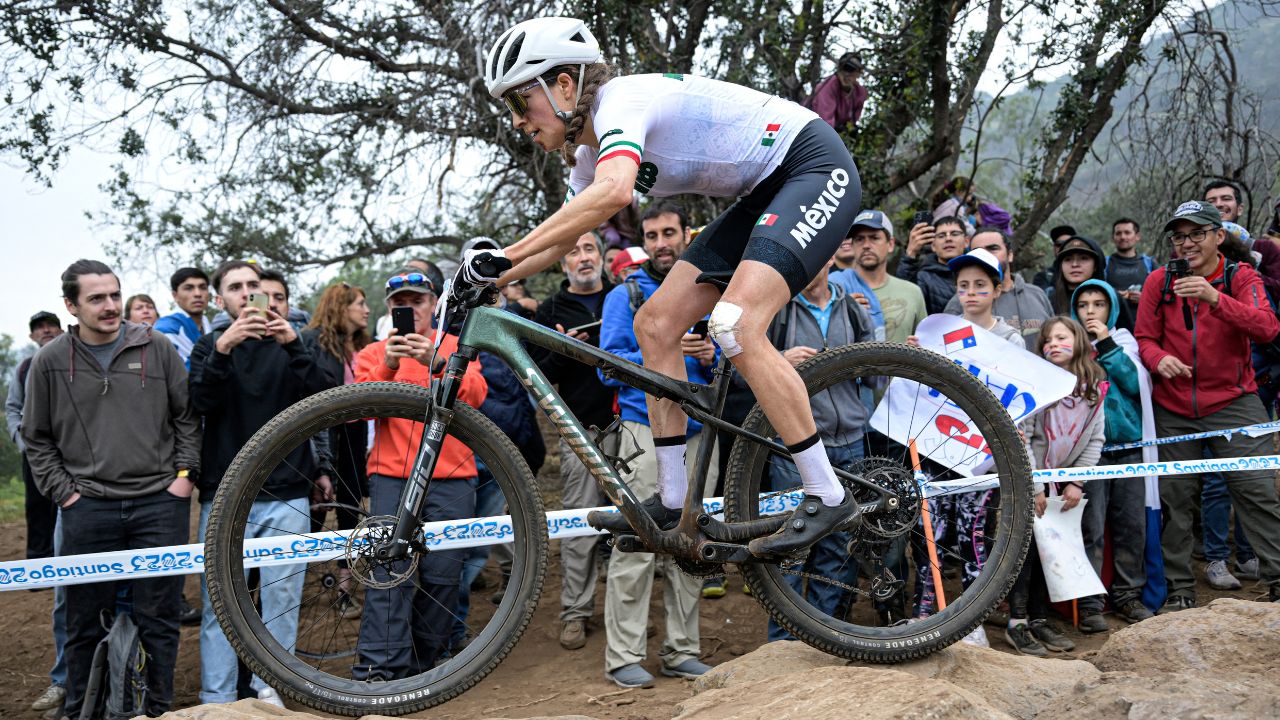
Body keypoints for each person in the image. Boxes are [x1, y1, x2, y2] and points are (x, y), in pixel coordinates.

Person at [479, 16, 863, 562]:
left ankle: (828, 493)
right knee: (654, 324)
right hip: (765, 190)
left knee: (733, 324)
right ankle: (675, 499)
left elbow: (614, 194)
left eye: (520, 104)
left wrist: (504, 260)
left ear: (563, 84)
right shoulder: (588, 155)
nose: (518, 122)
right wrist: (490, 275)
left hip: (813, 167)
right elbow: (562, 236)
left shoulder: (622, 103)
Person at [24, 259, 199, 719]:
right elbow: (35, 436)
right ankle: (81, 709)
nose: (110, 306)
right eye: (96, 298)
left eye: (115, 295)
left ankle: (157, 710)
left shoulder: (157, 347)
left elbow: (186, 417)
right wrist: (65, 494)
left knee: (159, 618)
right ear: (71, 305)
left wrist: (183, 480)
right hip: (87, 506)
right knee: (81, 621)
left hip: (160, 504)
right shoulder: (48, 361)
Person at [188, 260, 335, 706]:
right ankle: (216, 697)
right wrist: (222, 351)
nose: (248, 293)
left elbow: (329, 400)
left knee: (282, 601)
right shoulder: (209, 345)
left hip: (287, 490)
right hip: (224, 494)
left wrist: (294, 346)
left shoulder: (297, 342)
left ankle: (272, 691)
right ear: (221, 300)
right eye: (236, 287)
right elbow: (198, 402)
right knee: (220, 604)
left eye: (255, 286)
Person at [1136, 200, 1280, 611]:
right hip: (1173, 405)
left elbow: (1268, 327)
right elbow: (1144, 337)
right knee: (1175, 498)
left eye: (1197, 234)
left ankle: (1278, 577)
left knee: (1255, 491)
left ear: (1219, 236)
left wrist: (1215, 299)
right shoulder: (1158, 281)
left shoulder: (1241, 276)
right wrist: (1158, 359)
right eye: (1179, 236)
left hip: (1235, 400)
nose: (1187, 244)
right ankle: (1180, 589)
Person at [353, 268, 487, 679]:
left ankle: (425, 668)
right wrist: (391, 366)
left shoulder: (455, 344)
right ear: (389, 308)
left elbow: (477, 395)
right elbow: (360, 408)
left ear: (433, 305)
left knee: (444, 577)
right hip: (393, 476)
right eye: (400, 303)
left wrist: (436, 360)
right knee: (388, 573)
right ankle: (379, 670)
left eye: (417, 301)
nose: (408, 308)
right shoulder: (373, 353)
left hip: (451, 477)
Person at [907, 249, 1027, 643]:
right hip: (937, 448)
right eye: (963, 286)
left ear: (997, 289)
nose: (971, 293)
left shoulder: (1010, 339)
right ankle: (927, 614)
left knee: (974, 538)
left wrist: (1015, 432)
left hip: (983, 457)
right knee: (932, 536)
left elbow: (1024, 393)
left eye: (980, 285)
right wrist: (916, 353)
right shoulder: (940, 331)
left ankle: (972, 622)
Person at [763, 253, 875, 641]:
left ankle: (826, 636)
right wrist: (779, 360)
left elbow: (876, 365)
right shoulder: (777, 308)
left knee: (841, 542)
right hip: (792, 447)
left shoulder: (853, 307)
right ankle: (783, 639)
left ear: (828, 258)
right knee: (792, 541)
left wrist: (859, 364)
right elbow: (747, 374)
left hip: (851, 439)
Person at [528, 231, 616, 649]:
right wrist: (564, 350)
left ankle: (621, 616)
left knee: (632, 526)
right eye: (574, 252)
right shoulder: (549, 310)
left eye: (590, 250)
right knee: (581, 521)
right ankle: (575, 613)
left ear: (601, 256)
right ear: (562, 264)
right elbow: (534, 374)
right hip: (579, 427)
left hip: (630, 427)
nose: (583, 258)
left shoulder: (622, 297)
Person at [1006, 317, 1106, 656]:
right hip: (1029, 480)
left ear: (1078, 341)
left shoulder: (1094, 389)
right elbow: (1024, 437)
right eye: (1047, 340)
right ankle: (1016, 621)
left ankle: (1038, 618)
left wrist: (1077, 481)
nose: (1052, 344)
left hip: (1060, 483)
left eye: (1061, 337)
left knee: (1049, 550)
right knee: (1025, 552)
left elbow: (1096, 439)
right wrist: (1034, 486)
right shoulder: (1036, 386)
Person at [1070, 280, 1155, 627]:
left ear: (1112, 309)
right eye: (1083, 305)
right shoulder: (1070, 347)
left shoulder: (1123, 342)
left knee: (1131, 525)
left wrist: (1105, 343)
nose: (1090, 311)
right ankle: (1090, 604)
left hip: (1129, 446)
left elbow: (1136, 384)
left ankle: (1127, 595)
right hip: (1092, 452)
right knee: (1091, 527)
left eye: (1099, 304)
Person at [300, 281, 372, 617]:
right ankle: (293, 583)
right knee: (313, 511)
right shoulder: (311, 341)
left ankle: (345, 588)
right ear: (340, 307)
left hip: (356, 436)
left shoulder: (360, 345)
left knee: (350, 510)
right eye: (359, 303)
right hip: (323, 435)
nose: (366, 310)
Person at [7, 311, 66, 717]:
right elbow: (13, 408)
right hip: (36, 453)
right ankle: (38, 567)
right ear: (32, 334)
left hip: (71, 456)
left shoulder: (66, 358)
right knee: (36, 510)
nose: (46, 331)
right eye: (39, 327)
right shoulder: (25, 365)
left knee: (63, 510)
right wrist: (24, 443)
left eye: (51, 325)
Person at [942, 226, 1053, 342]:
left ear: (1010, 255)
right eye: (977, 251)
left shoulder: (1037, 295)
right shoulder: (958, 304)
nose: (986, 255)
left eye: (993, 248)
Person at [844, 210, 926, 344]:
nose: (866, 245)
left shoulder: (913, 292)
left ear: (891, 244)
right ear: (852, 246)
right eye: (859, 239)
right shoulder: (836, 290)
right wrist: (842, 311)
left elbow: (926, 346)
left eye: (874, 238)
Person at [1048, 235, 1134, 331]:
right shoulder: (1049, 300)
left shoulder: (1112, 297)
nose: (1075, 264)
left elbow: (1128, 338)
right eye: (1068, 259)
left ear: (1096, 265)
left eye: (1084, 258)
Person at [897, 215, 967, 314]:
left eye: (954, 234)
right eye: (941, 236)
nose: (948, 239)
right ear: (933, 246)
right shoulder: (924, 277)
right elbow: (904, 299)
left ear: (966, 241)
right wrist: (910, 253)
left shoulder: (978, 271)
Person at [154, 266, 211, 367]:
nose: (198, 294)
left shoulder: (205, 322)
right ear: (175, 295)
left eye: (203, 287)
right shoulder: (167, 329)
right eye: (189, 288)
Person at [806, 52, 868, 135]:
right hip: (812, 129)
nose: (847, 74)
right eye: (845, 68)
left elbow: (852, 122)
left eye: (852, 70)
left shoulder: (860, 93)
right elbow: (825, 124)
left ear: (858, 74)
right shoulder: (827, 86)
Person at [1104, 218, 1154, 316]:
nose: (1122, 237)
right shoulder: (1104, 264)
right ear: (1113, 237)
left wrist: (1144, 299)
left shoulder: (1150, 264)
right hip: (1112, 328)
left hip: (1143, 325)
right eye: (1118, 233)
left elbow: (1161, 296)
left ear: (1137, 236)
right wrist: (1114, 296)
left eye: (1127, 232)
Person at [1032, 224, 1076, 291]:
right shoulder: (1042, 277)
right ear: (1054, 248)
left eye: (1068, 244)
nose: (1063, 248)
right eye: (1059, 244)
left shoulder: (1086, 273)